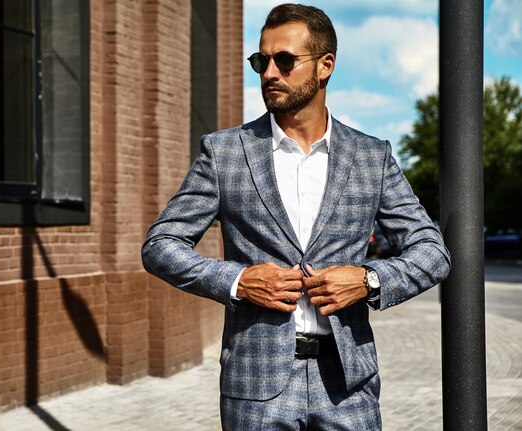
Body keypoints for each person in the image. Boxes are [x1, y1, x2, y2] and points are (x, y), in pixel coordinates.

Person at [142, 3, 450, 430]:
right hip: (255, 386)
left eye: (284, 61)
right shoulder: (225, 153)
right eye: (261, 61)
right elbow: (160, 246)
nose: (269, 73)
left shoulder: (371, 157)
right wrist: (238, 281)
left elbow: (431, 252)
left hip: (348, 384)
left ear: (325, 66)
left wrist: (367, 280)